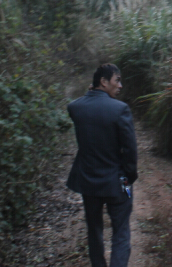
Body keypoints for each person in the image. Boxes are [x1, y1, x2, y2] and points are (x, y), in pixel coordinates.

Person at [66, 63, 138, 267]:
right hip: (119, 182)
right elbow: (130, 150)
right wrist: (129, 177)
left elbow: (81, 104)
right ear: (104, 81)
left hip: (88, 182)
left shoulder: (75, 108)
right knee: (121, 230)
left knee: (94, 229)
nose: (120, 85)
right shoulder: (120, 109)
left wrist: (90, 93)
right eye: (117, 80)